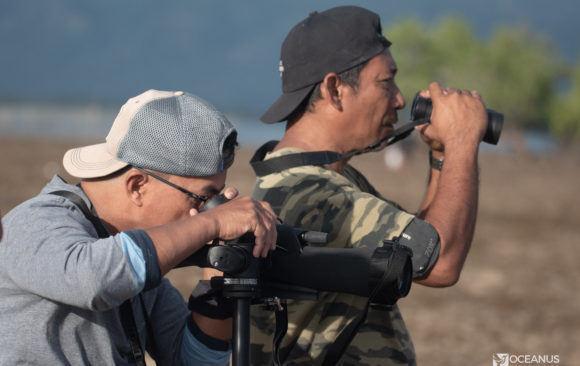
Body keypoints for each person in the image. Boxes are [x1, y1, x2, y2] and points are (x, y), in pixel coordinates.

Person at [249, 6, 488, 366]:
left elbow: (419, 247)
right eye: (385, 82)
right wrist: (462, 142)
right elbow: (441, 265)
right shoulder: (311, 192)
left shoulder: (324, 179)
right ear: (335, 89)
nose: (400, 99)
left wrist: (441, 156)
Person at [0, 89, 278, 365]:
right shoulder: (36, 221)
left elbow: (193, 361)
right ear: (137, 186)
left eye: (215, 199)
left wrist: (219, 280)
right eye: (202, 198)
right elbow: (95, 279)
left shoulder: (138, 259)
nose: (201, 212)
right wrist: (214, 221)